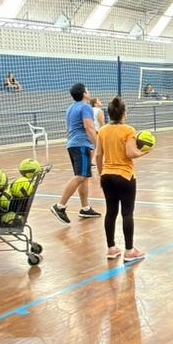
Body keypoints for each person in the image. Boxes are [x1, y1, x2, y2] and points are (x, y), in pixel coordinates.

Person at [95, 96, 146, 263]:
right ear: (124, 113)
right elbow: (131, 153)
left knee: (110, 212)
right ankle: (129, 251)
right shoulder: (129, 130)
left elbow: (98, 155)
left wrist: (102, 173)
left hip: (107, 176)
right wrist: (145, 152)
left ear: (109, 114)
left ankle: (111, 248)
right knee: (127, 213)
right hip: (125, 176)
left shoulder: (102, 130)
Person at [50, 82, 102, 223]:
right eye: (88, 90)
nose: (89, 91)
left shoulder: (70, 108)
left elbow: (69, 127)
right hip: (81, 145)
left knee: (84, 177)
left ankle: (85, 208)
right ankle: (60, 206)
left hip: (73, 144)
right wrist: (99, 145)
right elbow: (89, 127)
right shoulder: (85, 107)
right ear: (84, 94)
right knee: (80, 176)